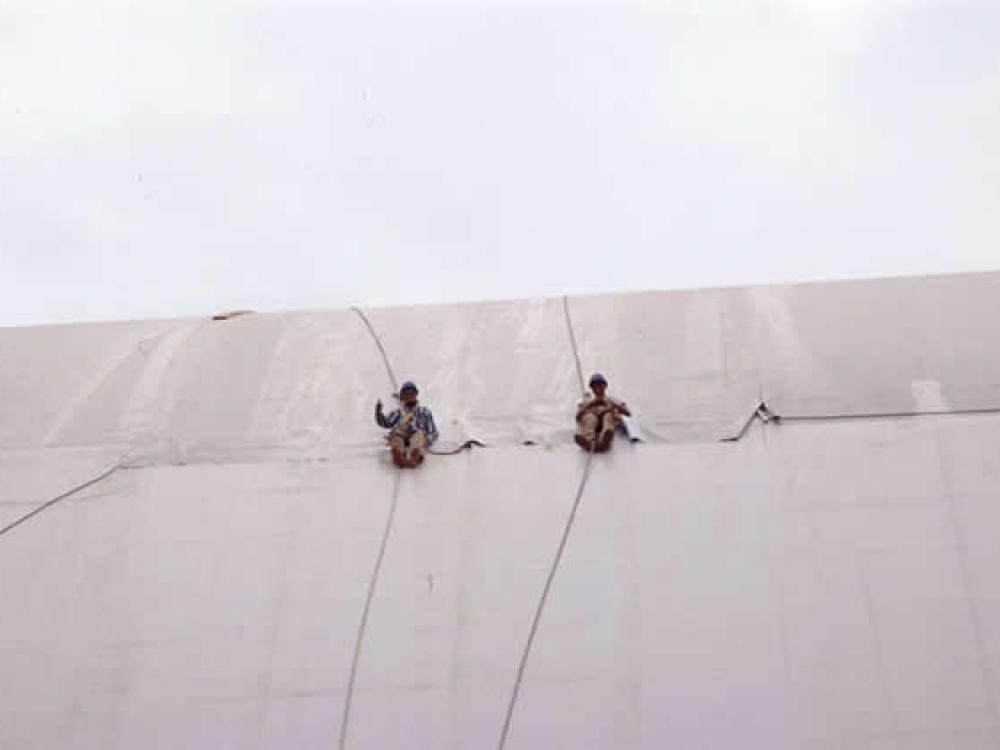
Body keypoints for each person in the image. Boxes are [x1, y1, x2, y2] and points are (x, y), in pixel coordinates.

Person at [375, 381, 439, 468]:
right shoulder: (398, 412)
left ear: (416, 395)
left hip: (417, 433)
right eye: (406, 394)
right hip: (401, 433)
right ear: (402, 396)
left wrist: (428, 439)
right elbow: (386, 423)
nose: (409, 396)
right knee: (396, 437)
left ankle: (415, 457)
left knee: (419, 436)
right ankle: (398, 457)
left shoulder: (424, 411)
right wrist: (378, 413)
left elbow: (433, 431)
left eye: (411, 394)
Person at [575, 373, 631, 452]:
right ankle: (589, 440)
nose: (598, 388)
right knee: (590, 418)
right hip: (593, 419)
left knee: (608, 416)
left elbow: (627, 413)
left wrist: (613, 405)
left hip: (606, 419)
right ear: (592, 388)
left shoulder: (612, 399)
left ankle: (605, 438)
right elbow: (578, 417)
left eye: (600, 385)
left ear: (605, 386)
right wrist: (590, 404)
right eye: (595, 386)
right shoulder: (586, 401)